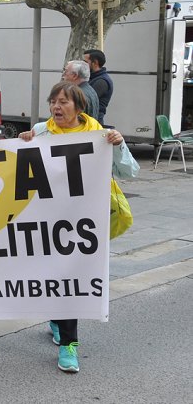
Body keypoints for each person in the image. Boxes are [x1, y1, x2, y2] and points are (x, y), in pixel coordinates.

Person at [19, 81, 138, 373]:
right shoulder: (41, 132)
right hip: (48, 220)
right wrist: (20, 144)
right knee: (54, 274)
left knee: (72, 276)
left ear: (79, 107)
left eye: (63, 102)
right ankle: (59, 318)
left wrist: (119, 145)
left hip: (84, 223)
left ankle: (69, 344)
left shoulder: (100, 135)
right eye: (53, 102)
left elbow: (129, 171)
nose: (57, 108)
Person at [84, 49, 113, 125]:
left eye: (86, 62)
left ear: (95, 63)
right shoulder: (91, 78)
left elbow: (84, 101)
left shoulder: (102, 81)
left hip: (93, 124)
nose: (83, 65)